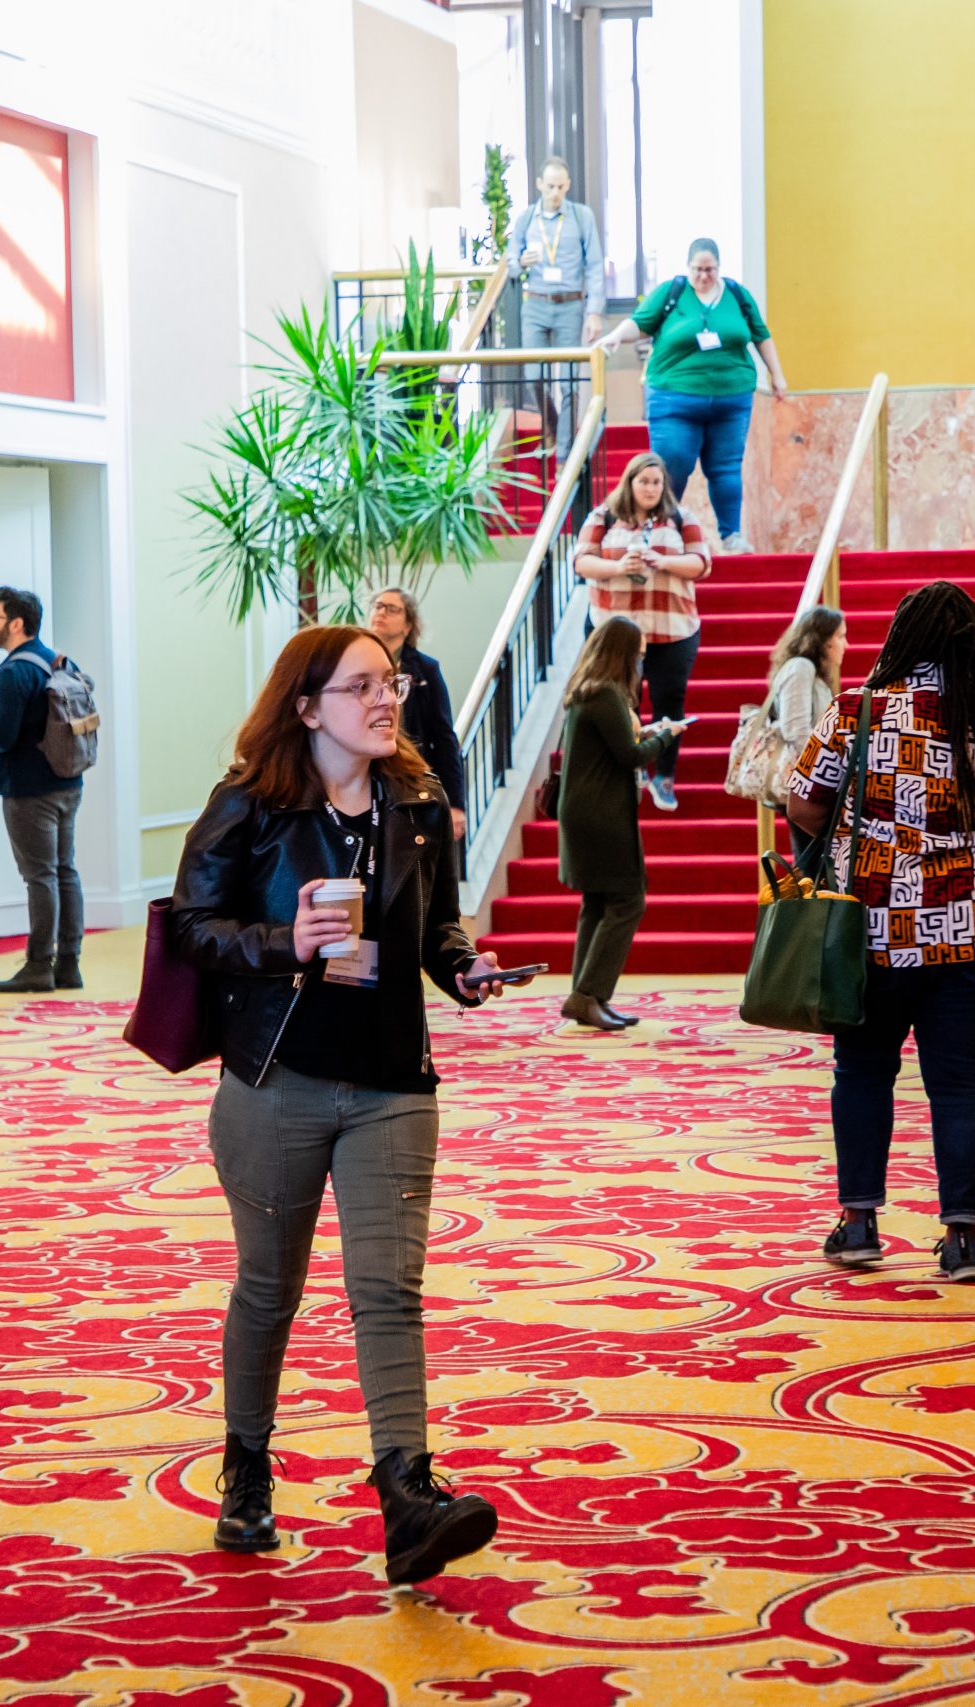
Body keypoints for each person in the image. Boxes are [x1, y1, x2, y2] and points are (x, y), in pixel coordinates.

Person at [169, 624, 530, 1585]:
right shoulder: (248, 807)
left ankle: (406, 1493)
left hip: (391, 1084)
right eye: (362, 685)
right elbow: (195, 928)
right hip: (275, 1079)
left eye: (392, 682)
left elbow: (437, 925)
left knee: (388, 1290)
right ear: (307, 705)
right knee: (269, 1288)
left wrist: (463, 967)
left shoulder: (417, 799)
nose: (386, 699)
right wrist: (284, 942)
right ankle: (246, 1464)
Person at [783, 582, 975, 1284]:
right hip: (974, 930)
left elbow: (803, 801)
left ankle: (857, 1224)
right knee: (963, 1084)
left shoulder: (857, 712)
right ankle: (962, 1238)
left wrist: (861, 836)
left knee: (862, 1072)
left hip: (871, 930)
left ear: (901, 640)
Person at [595, 238, 789, 554]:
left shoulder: (737, 295)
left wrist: (776, 375)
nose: (703, 276)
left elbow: (760, 335)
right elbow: (640, 323)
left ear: (719, 268)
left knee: (726, 467)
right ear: (688, 268)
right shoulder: (672, 293)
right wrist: (617, 337)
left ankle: (732, 536)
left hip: (732, 397)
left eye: (710, 270)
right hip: (674, 398)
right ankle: (664, 529)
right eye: (698, 269)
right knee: (673, 463)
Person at [554, 617, 689, 1031]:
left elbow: (614, 745)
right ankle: (587, 995)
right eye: (640, 655)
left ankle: (589, 997)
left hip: (585, 810)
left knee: (597, 902)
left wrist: (648, 731)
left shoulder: (587, 691)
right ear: (624, 654)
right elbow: (630, 757)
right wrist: (668, 735)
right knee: (629, 899)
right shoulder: (608, 693)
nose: (643, 663)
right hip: (602, 814)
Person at [0, 585, 84, 994]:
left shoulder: (14, 672)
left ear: (16, 623)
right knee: (64, 871)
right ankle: (68, 964)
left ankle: (37, 964)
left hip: (30, 790)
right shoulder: (58, 661)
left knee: (40, 876)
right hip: (68, 783)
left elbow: (2, 737)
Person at [572, 452, 709, 812]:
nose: (649, 488)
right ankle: (627, 772)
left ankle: (664, 776)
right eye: (643, 481)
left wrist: (661, 561)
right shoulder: (603, 516)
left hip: (671, 629)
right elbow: (582, 561)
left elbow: (701, 563)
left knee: (669, 701)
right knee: (619, 702)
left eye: (656, 482)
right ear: (629, 482)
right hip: (615, 633)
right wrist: (619, 566)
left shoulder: (681, 518)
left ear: (664, 487)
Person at [505, 157, 602, 461]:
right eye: (550, 186)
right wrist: (519, 263)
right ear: (539, 185)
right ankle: (552, 425)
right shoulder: (526, 219)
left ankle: (563, 455)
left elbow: (595, 265)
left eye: (561, 187)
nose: (555, 193)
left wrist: (594, 311)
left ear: (568, 185)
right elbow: (509, 261)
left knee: (569, 382)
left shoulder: (581, 216)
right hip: (535, 304)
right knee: (533, 375)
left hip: (570, 305)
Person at [367, 587, 467, 844]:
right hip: (369, 779)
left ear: (408, 625)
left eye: (391, 609)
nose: (381, 613)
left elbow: (445, 738)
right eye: (378, 606)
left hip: (411, 777)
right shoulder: (358, 667)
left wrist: (455, 803)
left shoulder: (426, 670)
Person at [764, 605, 844, 863]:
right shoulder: (801, 667)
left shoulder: (811, 671)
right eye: (840, 636)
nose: (846, 644)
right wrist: (822, 773)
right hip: (804, 781)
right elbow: (796, 730)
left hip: (807, 780)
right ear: (822, 639)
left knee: (813, 860)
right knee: (812, 863)